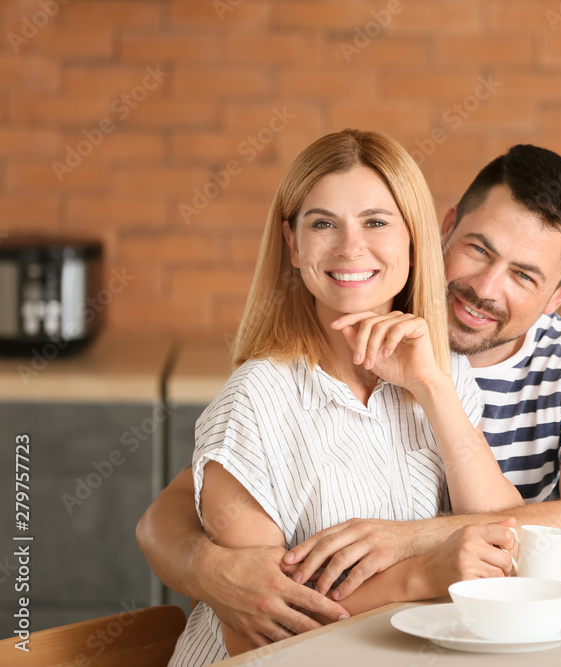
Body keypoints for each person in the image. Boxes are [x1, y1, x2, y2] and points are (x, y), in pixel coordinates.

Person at [138, 144, 561, 649]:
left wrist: (414, 530)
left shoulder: (502, 371)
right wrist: (204, 565)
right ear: (440, 231)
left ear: (559, 293)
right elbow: (240, 596)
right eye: (479, 249)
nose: (485, 288)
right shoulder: (264, 394)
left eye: (523, 274)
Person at [166, 129, 523, 665]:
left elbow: (506, 537)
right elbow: (254, 635)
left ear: (413, 238)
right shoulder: (255, 400)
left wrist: (430, 388)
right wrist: (423, 573)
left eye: (376, 222)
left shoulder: (442, 370)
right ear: (293, 244)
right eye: (323, 224)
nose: (350, 247)